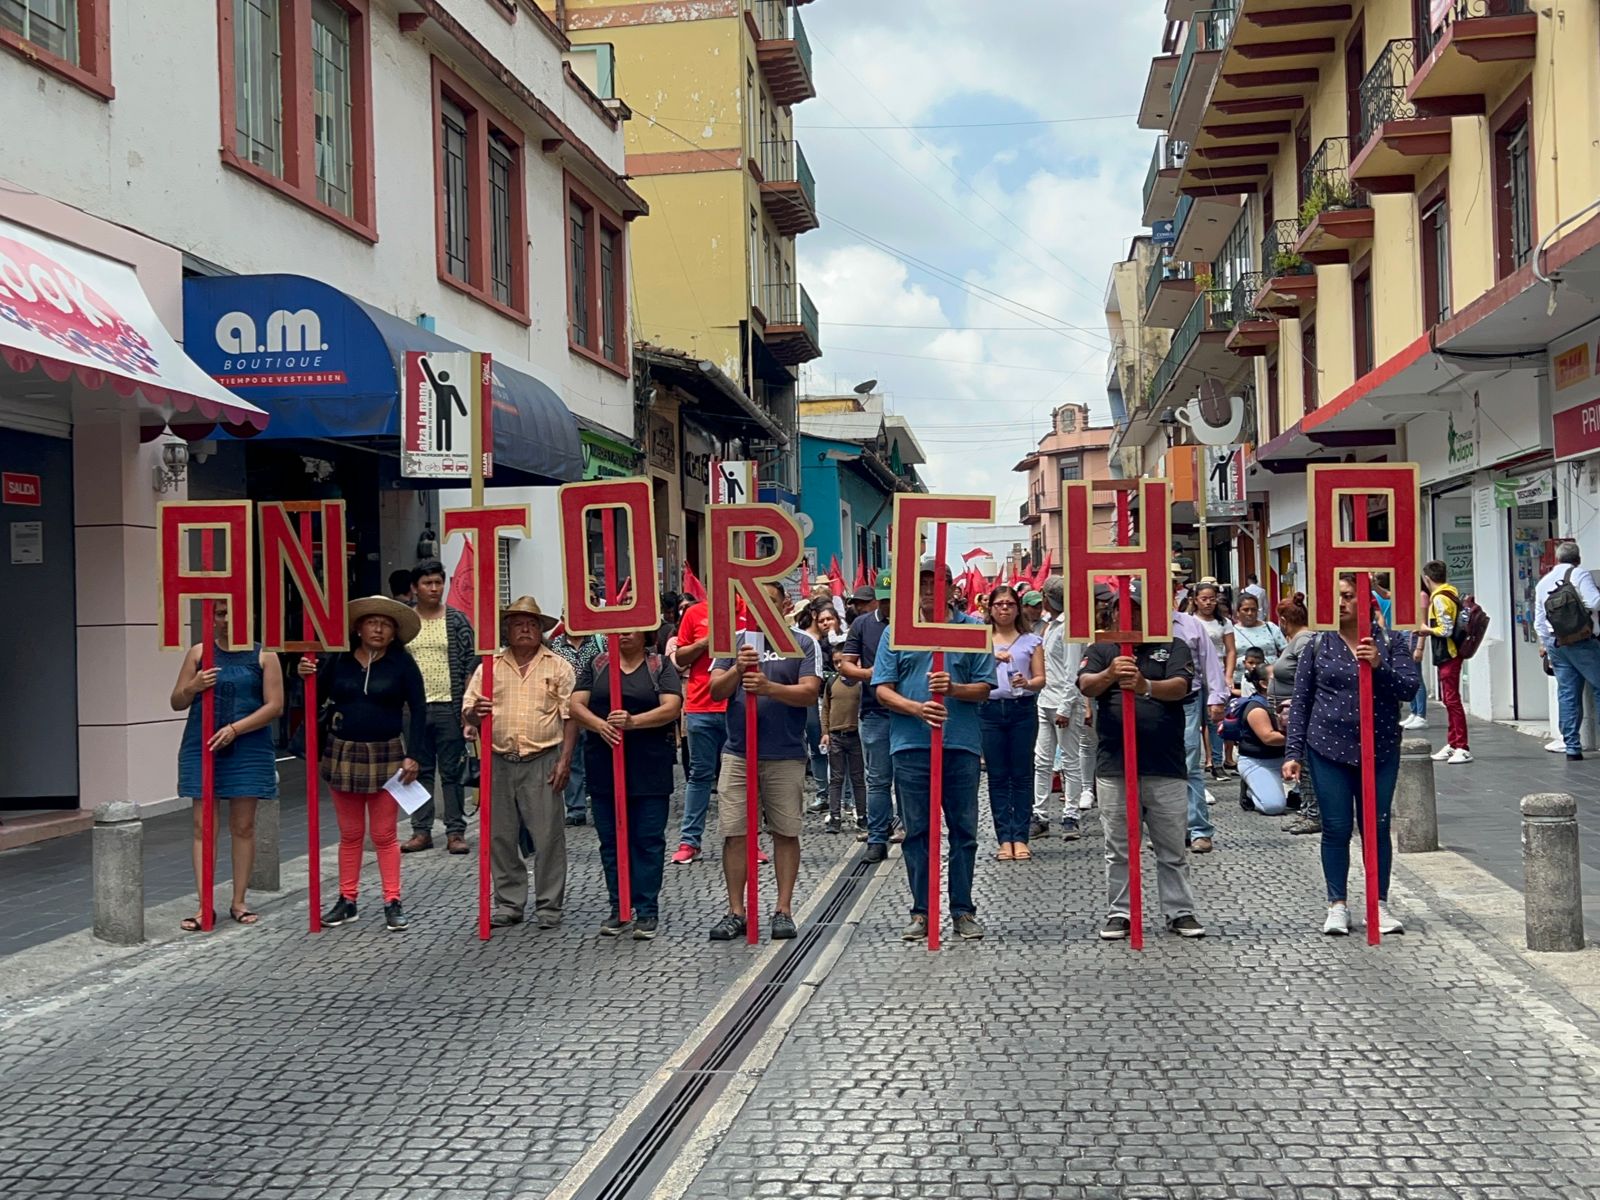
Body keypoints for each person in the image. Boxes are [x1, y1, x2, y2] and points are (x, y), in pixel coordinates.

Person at [1283, 574, 1419, 936]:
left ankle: (1379, 903)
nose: (1340, 603)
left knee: (1377, 826)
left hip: (1381, 748)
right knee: (1337, 827)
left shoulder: (1390, 642)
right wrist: (1293, 751)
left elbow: (1409, 688)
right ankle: (1337, 904)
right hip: (1328, 747)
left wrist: (1379, 666)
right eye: (1335, 597)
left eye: (1347, 596)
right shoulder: (1317, 644)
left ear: (1366, 601)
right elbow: (1302, 700)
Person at [874, 556, 997, 942]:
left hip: (959, 743)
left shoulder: (974, 630)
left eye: (936, 583)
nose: (929, 591)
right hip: (910, 745)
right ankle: (921, 911)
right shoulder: (897, 631)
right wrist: (916, 708)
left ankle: (962, 909)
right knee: (917, 832)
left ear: (951, 587)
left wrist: (953, 690)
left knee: (963, 830)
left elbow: (984, 688)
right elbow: (881, 688)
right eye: (922, 583)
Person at [1079, 582, 1205, 940]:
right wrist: (1111, 675)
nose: (1125, 613)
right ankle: (1120, 912)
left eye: (1133, 607)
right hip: (1115, 764)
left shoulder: (1173, 645)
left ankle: (1180, 911)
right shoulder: (1101, 647)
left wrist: (1144, 686)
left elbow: (1181, 686)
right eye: (1120, 607)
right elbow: (1086, 685)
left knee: (1171, 845)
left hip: (1164, 762)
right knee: (1118, 846)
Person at [300, 596, 426, 932]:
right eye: (372, 621)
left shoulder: (402, 664)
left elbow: (419, 709)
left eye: (385, 624)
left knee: (384, 834)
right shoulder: (338, 661)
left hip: (387, 755)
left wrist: (414, 754)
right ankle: (347, 899)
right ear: (358, 627)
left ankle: (392, 900)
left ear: (394, 632)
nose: (379, 628)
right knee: (350, 833)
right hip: (343, 753)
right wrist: (305, 676)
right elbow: (312, 698)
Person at [706, 582, 822, 942]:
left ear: (784, 604)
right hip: (738, 751)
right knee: (734, 833)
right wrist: (738, 670)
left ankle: (783, 909)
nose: (762, 610)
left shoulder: (803, 642)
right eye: (755, 603)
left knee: (785, 832)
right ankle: (735, 910)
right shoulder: (734, 640)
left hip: (784, 753)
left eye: (769, 602)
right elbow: (714, 690)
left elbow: (809, 693)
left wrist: (770, 689)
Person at [170, 600, 284, 930]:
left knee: (243, 826)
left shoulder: (265, 655)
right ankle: (205, 905)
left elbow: (275, 705)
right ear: (212, 617)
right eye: (221, 613)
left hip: (247, 746)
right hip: (202, 745)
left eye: (235, 612)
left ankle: (238, 900)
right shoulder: (198, 653)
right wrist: (193, 686)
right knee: (202, 825)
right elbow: (176, 701)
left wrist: (236, 729)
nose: (228, 619)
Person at [462, 597, 575, 928]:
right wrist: (473, 714)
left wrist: (565, 760)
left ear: (541, 630)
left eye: (531, 624)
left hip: (543, 758)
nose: (525, 629)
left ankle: (548, 906)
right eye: (517, 624)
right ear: (506, 631)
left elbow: (570, 717)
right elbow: (468, 711)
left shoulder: (558, 666)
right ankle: (509, 903)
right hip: (498, 759)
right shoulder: (489, 665)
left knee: (548, 837)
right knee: (500, 836)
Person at [570, 626, 683, 939]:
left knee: (647, 838)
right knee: (611, 840)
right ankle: (618, 905)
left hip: (649, 767)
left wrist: (634, 723)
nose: (625, 635)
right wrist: (600, 725)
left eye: (633, 629)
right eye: (618, 630)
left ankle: (647, 908)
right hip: (604, 766)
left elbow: (672, 707)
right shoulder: (597, 664)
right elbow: (576, 705)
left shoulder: (659, 666)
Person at [401, 560, 477, 854]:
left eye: (438, 582)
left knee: (452, 771)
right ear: (414, 588)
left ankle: (455, 831)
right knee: (418, 770)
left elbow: (472, 661)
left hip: (450, 705)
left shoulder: (457, 620)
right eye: (427, 583)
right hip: (413, 709)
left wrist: (468, 709)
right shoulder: (405, 621)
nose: (434, 588)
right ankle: (421, 830)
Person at [838, 570, 898, 860]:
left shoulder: (912, 623)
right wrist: (869, 674)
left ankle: (912, 830)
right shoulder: (862, 624)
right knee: (877, 778)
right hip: (875, 711)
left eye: (891, 600)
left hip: (908, 711)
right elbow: (845, 666)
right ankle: (877, 837)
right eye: (882, 600)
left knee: (909, 777)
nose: (886, 606)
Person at [981, 584, 1044, 861]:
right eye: (999, 604)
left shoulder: (1031, 640)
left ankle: (1021, 836)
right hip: (989, 710)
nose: (1004, 608)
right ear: (990, 609)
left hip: (1022, 709)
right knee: (997, 776)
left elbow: (1041, 679)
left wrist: (1027, 683)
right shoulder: (981, 640)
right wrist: (992, 659)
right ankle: (1003, 838)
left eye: (1009, 604)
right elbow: (972, 675)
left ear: (1017, 608)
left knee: (1021, 774)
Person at [1033, 577, 1093, 842]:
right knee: (1042, 760)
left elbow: (1072, 671)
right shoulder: (1052, 626)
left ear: (1048, 598)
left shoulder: (1070, 626)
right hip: (1046, 699)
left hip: (1063, 702)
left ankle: (1071, 815)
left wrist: (1066, 706)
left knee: (1069, 760)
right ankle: (1041, 814)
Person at [670, 595, 727, 865]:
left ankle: (744, 840)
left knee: (740, 778)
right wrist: (704, 643)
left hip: (736, 706)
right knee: (699, 775)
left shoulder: (748, 609)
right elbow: (679, 658)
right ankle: (689, 841)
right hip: (701, 706)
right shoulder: (694, 613)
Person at [1171, 595, 1227, 855]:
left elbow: (1210, 664)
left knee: (1190, 764)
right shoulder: (1142, 627)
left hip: (1188, 702)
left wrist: (1217, 697)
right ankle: (1172, 828)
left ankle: (1199, 829)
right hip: (1152, 703)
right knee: (1161, 769)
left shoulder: (1191, 625)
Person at [1535, 542, 1600, 760]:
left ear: (1556, 559)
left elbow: (1539, 621)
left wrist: (1545, 644)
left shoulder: (1543, 583)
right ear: (1578, 558)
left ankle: (1572, 746)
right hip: (1582, 642)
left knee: (1567, 694)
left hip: (1557, 644)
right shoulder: (1579, 574)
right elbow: (1594, 601)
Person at [1270, 594, 1321, 835]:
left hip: (1304, 714)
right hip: (1295, 714)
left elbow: (1308, 677)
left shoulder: (1304, 641)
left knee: (1306, 765)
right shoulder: (1298, 640)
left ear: (1282, 620)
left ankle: (1313, 813)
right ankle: (1307, 809)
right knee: (1303, 763)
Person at [548, 620, 604, 825]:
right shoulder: (555, 645)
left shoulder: (599, 641)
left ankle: (600, 804)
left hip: (594, 710)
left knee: (596, 756)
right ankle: (576, 808)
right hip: (564, 710)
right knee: (570, 757)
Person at [1421, 560, 1470, 765]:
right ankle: (1453, 744)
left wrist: (1426, 630)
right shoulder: (1449, 593)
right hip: (1449, 654)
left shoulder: (1440, 598)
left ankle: (1462, 746)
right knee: (1450, 700)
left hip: (1448, 654)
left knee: (1452, 700)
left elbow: (1445, 629)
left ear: (1427, 578)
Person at [1189, 582, 1236, 778]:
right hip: (1194, 676)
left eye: (1212, 599)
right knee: (1194, 722)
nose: (1208, 603)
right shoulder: (1189, 621)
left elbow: (1231, 650)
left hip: (1216, 676)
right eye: (1204, 599)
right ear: (1195, 600)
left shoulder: (1224, 622)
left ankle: (1217, 762)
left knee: (1215, 720)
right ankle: (1199, 763)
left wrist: (1228, 675)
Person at [821, 638, 865, 835]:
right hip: (836, 735)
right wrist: (825, 733)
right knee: (836, 778)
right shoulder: (831, 682)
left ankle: (862, 815)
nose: (839, 665)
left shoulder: (860, 684)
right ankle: (835, 816)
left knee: (858, 778)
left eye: (842, 661)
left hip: (855, 735)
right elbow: (825, 710)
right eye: (836, 662)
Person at [1232, 659, 1287, 814]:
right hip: (1259, 762)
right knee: (1274, 807)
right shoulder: (1256, 707)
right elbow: (1268, 738)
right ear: (1264, 684)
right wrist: (1300, 737)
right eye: (1278, 678)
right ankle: (1249, 792)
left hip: (1286, 759)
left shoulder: (1285, 700)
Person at [792, 603, 831, 814]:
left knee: (839, 748)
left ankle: (844, 797)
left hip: (835, 700)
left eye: (830, 619)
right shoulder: (803, 640)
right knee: (816, 748)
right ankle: (822, 792)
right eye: (822, 619)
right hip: (813, 700)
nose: (826, 623)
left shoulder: (837, 641)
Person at [1228, 594, 1286, 688]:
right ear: (1238, 612)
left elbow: (1285, 651)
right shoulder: (1231, 632)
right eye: (1245, 610)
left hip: (1270, 682)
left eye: (1253, 609)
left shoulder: (1270, 627)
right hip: (1241, 682)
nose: (1250, 613)